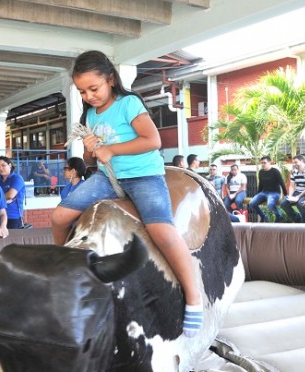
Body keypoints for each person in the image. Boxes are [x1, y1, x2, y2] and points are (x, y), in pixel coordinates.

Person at [51, 50, 202, 337]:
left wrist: (112, 149)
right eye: (82, 91)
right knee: (58, 217)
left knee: (162, 231)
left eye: (93, 89)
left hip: (143, 175)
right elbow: (93, 161)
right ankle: (64, 270)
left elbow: (153, 140)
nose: (89, 96)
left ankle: (194, 298)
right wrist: (90, 148)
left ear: (110, 79)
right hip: (108, 178)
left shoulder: (128, 103)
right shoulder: (91, 114)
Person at [248, 156, 288, 222]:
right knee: (252, 203)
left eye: (264, 163)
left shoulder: (275, 171)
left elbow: (282, 183)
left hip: (274, 193)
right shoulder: (261, 172)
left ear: (269, 162)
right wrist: (257, 195)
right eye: (262, 163)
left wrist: (285, 194)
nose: (263, 164)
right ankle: (263, 216)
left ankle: (279, 215)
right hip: (264, 192)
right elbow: (261, 184)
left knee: (270, 204)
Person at [280, 155, 305, 223]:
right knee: (283, 204)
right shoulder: (294, 172)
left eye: (296, 162)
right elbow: (292, 186)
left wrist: (298, 196)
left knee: (300, 203)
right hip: (297, 192)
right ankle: (297, 219)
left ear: (302, 161)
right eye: (293, 163)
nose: (294, 164)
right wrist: (290, 196)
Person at [0, 156, 25, 229]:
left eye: (3, 165)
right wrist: (3, 199)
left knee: (13, 240)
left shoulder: (17, 178)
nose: (1, 168)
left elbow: (10, 195)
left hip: (13, 216)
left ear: (10, 165)